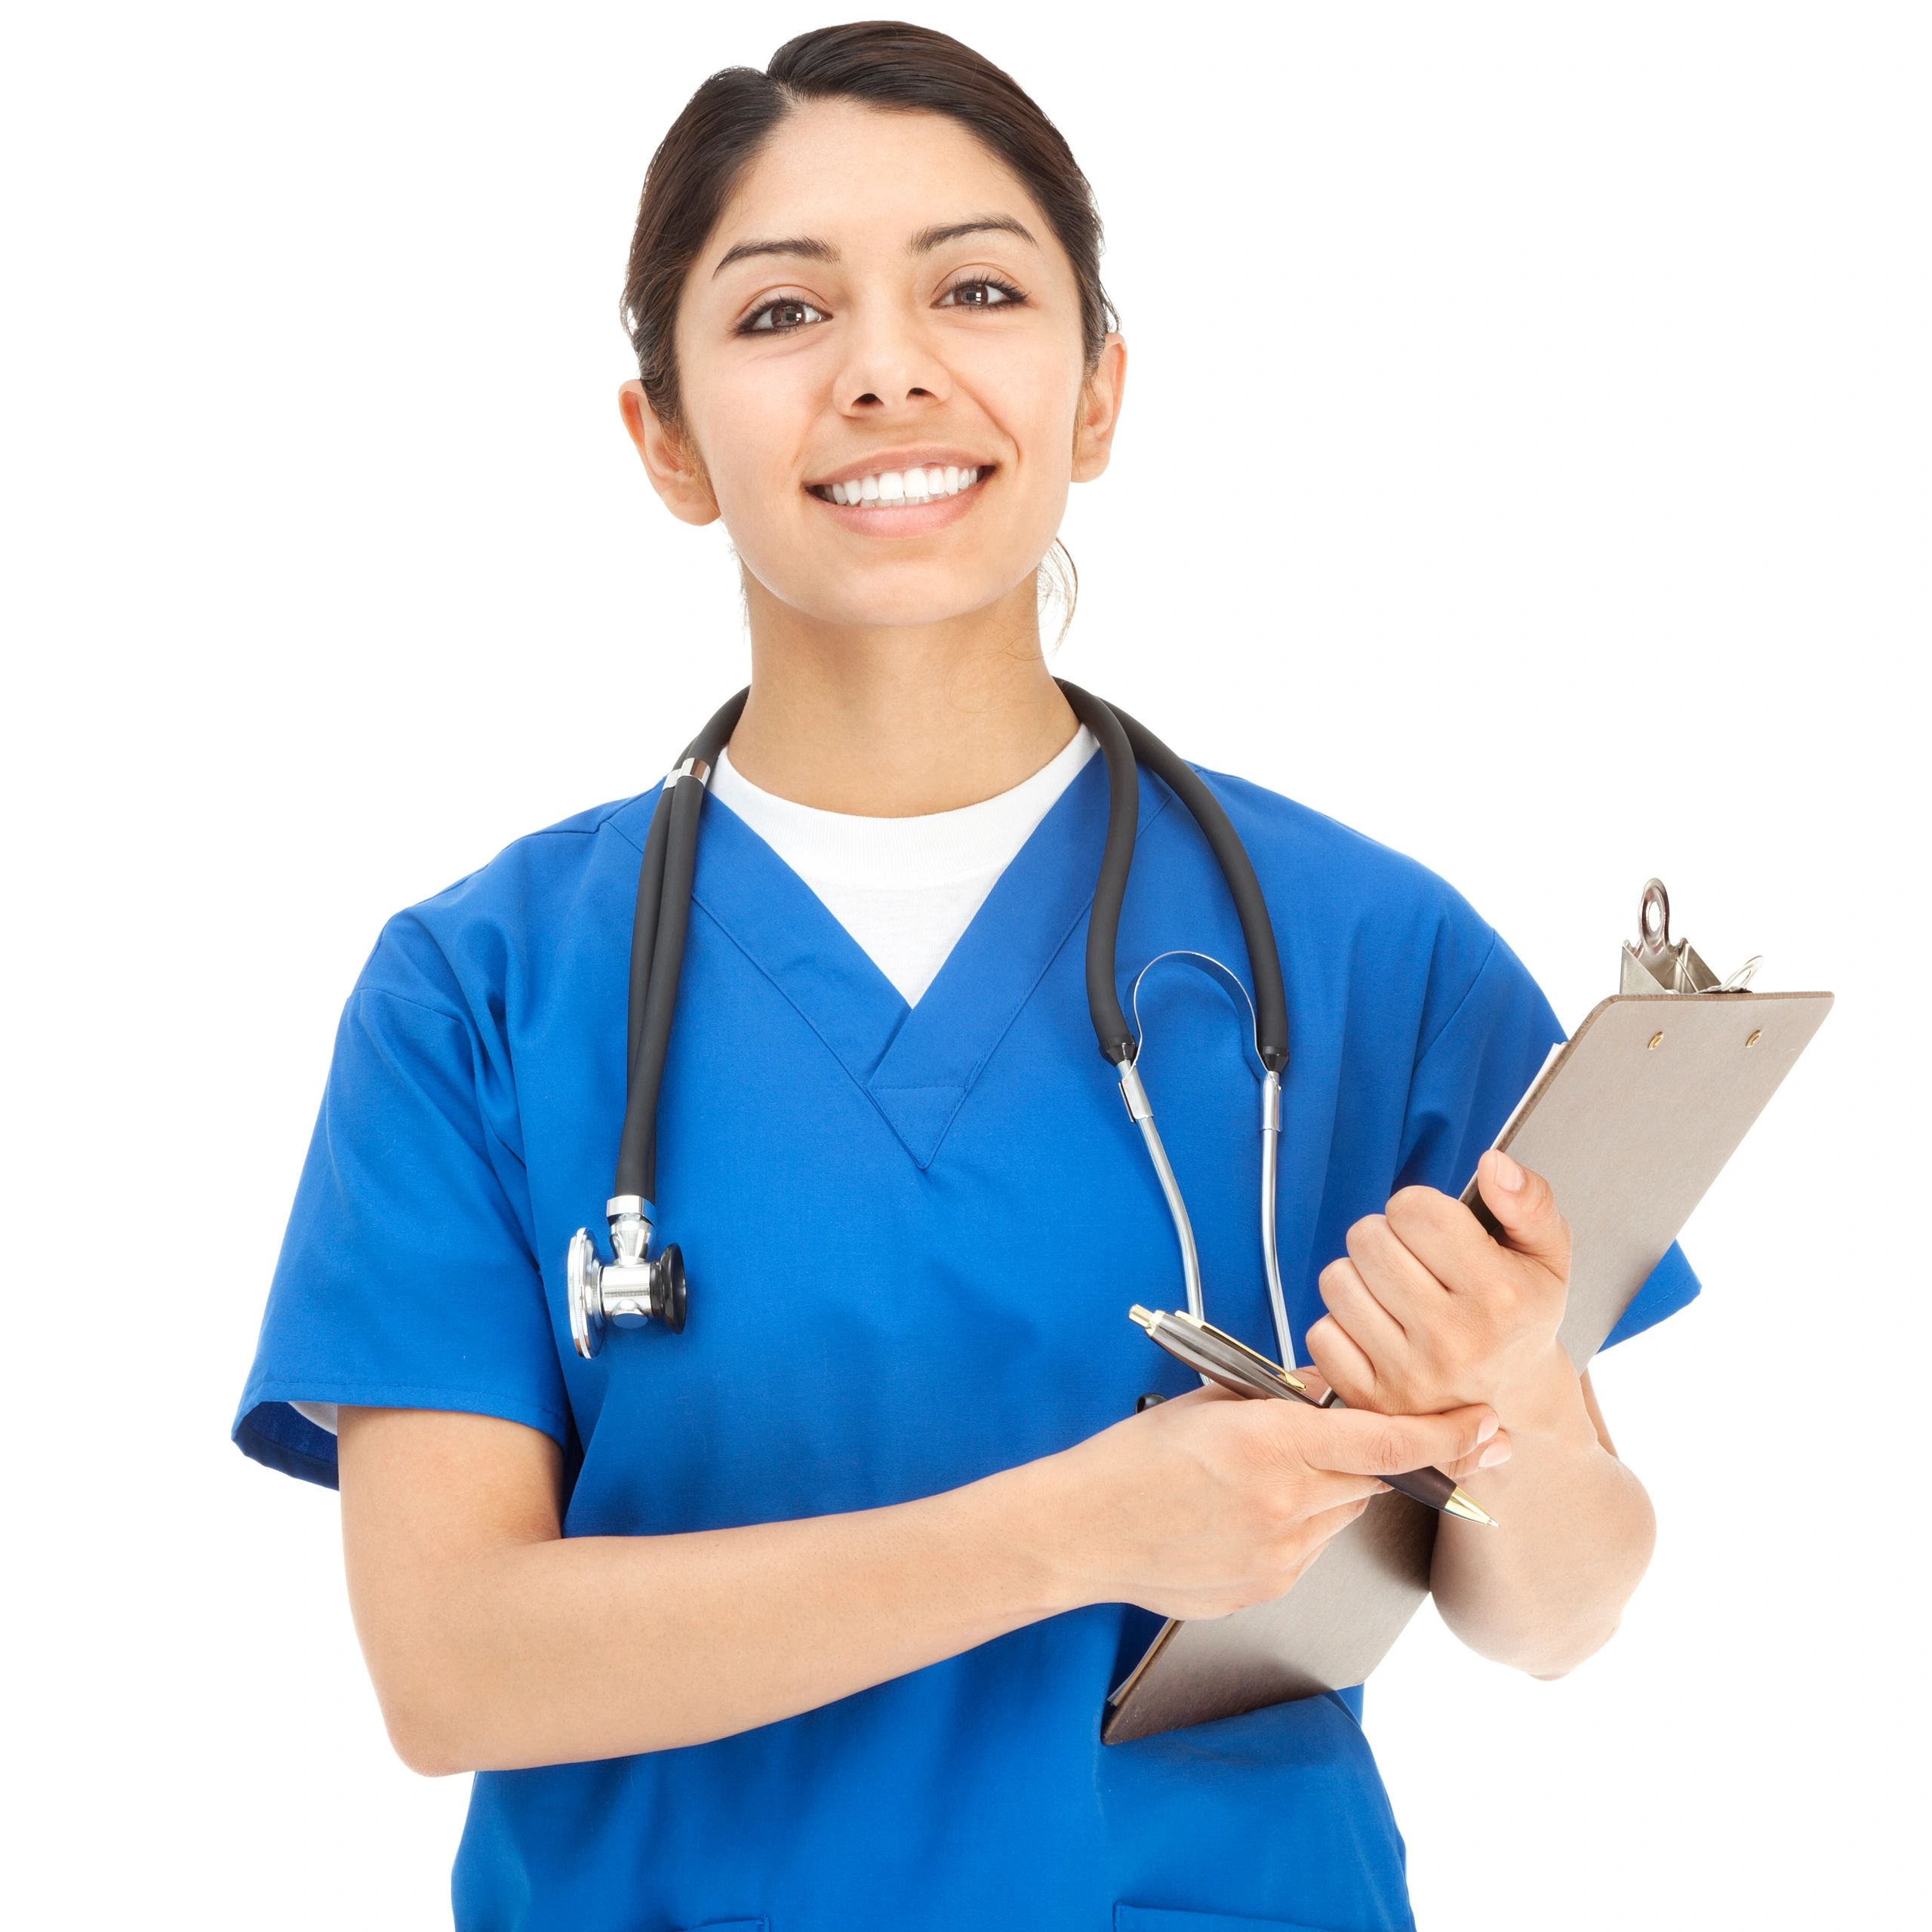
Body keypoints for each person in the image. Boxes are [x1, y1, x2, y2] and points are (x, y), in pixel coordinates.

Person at [229, 22, 1703, 1931]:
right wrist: (1075, 1528)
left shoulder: (1358, 944)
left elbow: (1560, 1612)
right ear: (662, 437)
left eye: (978, 290)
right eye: (781, 313)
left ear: (1096, 394)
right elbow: (451, 1667)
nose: (886, 368)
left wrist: (1513, 1406)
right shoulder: (478, 993)